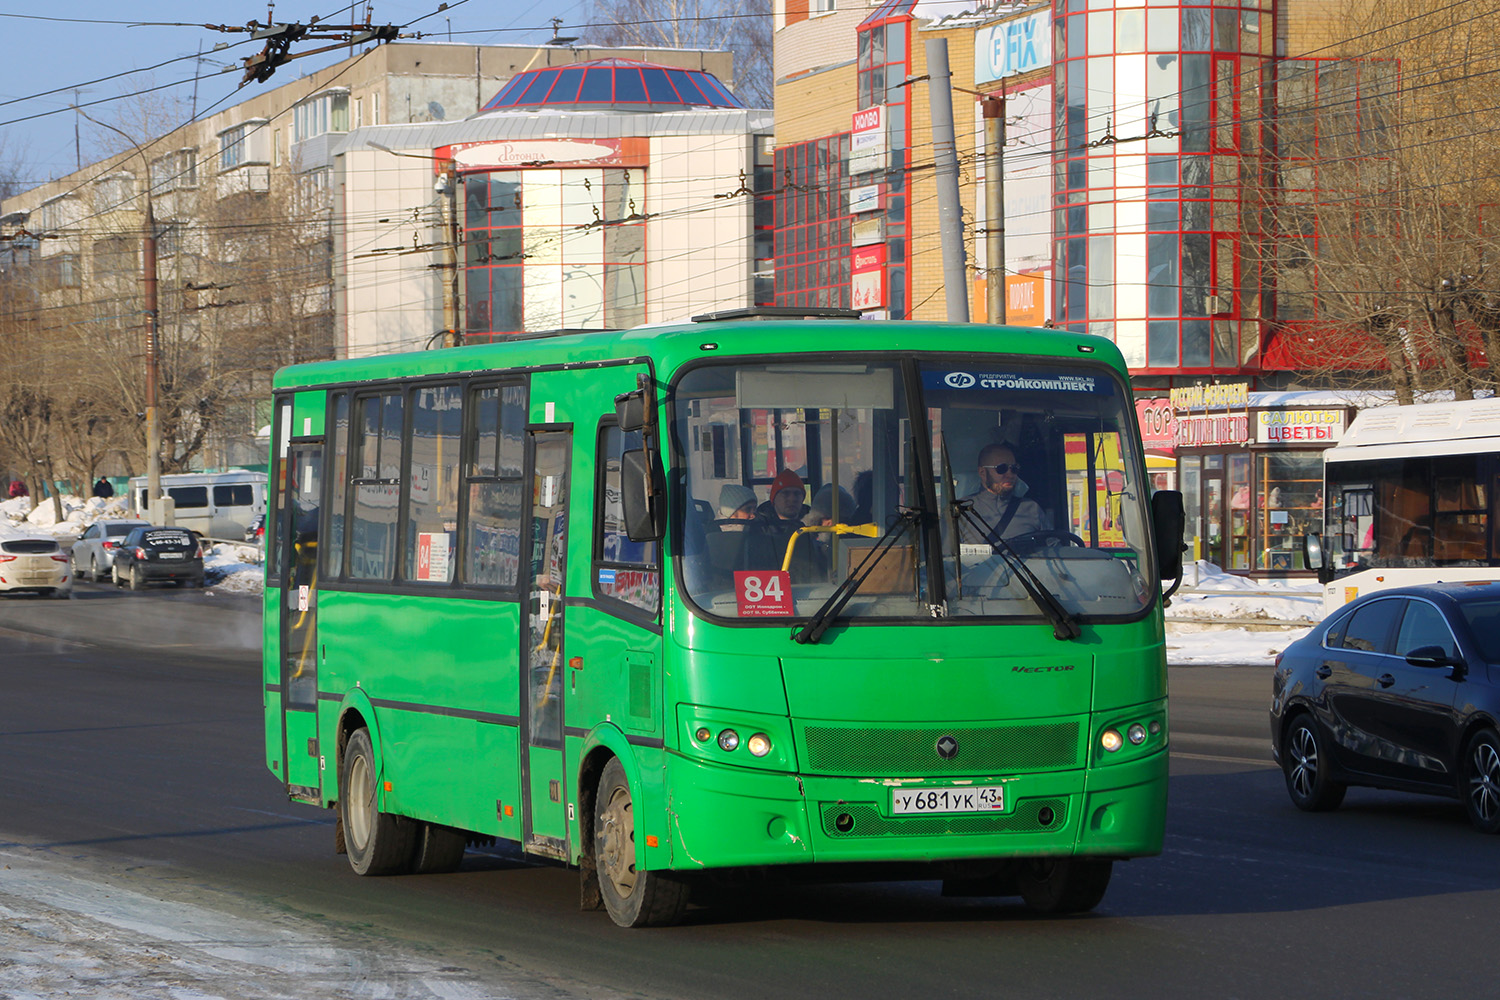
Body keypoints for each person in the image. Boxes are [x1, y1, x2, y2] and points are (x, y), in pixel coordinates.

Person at [957, 443, 1049, 545]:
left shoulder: (1032, 509)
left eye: (1014, 468)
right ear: (982, 472)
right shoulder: (960, 512)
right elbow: (947, 557)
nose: (1010, 475)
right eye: (1001, 468)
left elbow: (1054, 550)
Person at [743, 469, 817, 573]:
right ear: (774, 499)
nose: (792, 499)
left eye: (797, 494)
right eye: (785, 494)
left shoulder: (813, 528)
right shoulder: (759, 528)